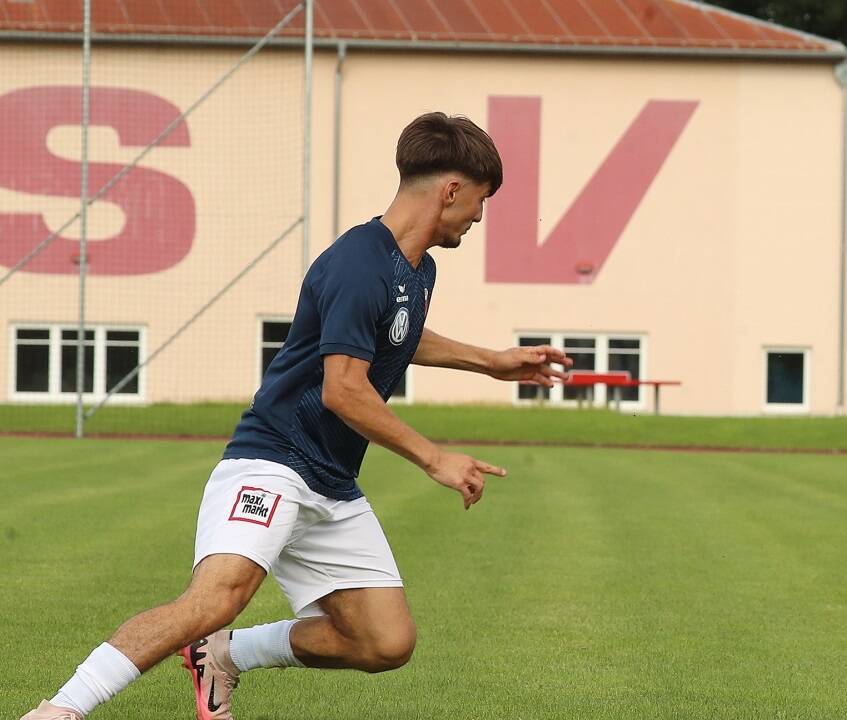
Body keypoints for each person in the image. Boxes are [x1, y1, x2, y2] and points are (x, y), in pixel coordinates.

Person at [23, 112, 571, 720]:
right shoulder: (360, 262)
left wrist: (491, 362)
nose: (479, 216)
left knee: (385, 642)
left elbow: (395, 332)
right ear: (451, 189)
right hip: (273, 461)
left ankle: (223, 654)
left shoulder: (417, 269)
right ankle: (60, 710)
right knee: (216, 598)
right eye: (481, 200)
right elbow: (344, 391)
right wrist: (434, 457)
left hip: (331, 480)